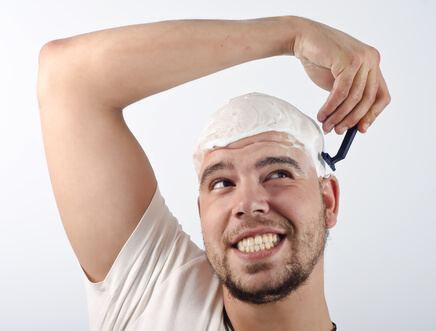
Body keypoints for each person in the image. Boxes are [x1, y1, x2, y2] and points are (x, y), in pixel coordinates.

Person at [37, 16, 390, 330]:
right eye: (222, 183)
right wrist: (293, 35)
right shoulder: (149, 295)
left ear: (328, 201)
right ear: (202, 212)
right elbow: (68, 76)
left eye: (278, 174)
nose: (249, 203)